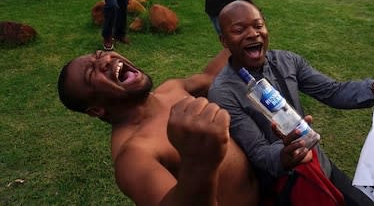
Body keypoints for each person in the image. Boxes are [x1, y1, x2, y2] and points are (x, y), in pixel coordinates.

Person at [208, 0, 374, 206]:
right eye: (238, 30)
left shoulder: (287, 61)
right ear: (224, 41)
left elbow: (333, 91)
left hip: (318, 163)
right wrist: (285, 156)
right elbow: (258, 151)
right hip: (281, 182)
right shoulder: (224, 92)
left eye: (258, 25)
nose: (252, 34)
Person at [57, 49, 259, 205]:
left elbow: (210, 77)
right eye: (91, 72)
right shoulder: (134, 156)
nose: (104, 60)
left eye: (100, 54)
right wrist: (198, 164)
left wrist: (238, 38)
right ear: (96, 110)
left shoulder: (171, 89)